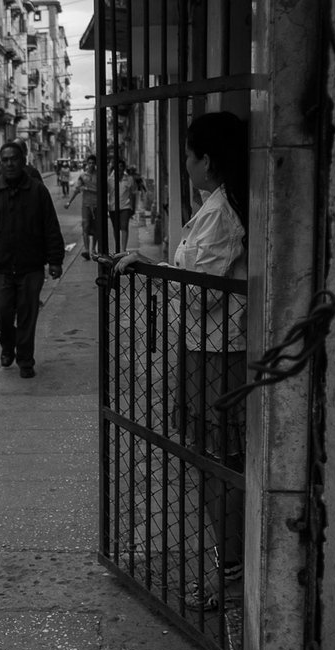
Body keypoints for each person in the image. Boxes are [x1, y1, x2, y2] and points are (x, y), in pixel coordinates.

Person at [113, 110, 247, 611]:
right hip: (207, 347)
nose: (185, 166)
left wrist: (158, 273)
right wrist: (156, 266)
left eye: (188, 156)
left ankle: (231, 568)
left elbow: (200, 292)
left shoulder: (220, 212)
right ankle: (230, 560)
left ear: (206, 160)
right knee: (210, 458)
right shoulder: (215, 206)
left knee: (216, 461)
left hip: (219, 351)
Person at [0, 141, 65, 379]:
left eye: (14, 159)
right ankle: (7, 343)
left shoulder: (37, 191)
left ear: (23, 161)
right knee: (2, 311)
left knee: (27, 316)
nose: (10, 164)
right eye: (5, 160)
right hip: (1, 268)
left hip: (31, 267)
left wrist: (55, 260)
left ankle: (25, 360)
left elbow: (50, 227)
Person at [63, 154, 101, 259]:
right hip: (86, 205)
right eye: (89, 163)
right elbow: (77, 190)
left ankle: (93, 249)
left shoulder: (98, 176)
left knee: (96, 228)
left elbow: (101, 190)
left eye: (93, 163)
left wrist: (88, 188)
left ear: (95, 164)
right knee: (85, 227)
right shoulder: (83, 176)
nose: (91, 165)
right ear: (87, 164)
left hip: (97, 205)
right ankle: (86, 250)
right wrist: (69, 202)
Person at [106, 159, 138, 253]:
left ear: (123, 168)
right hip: (113, 207)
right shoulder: (110, 180)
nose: (119, 169)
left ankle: (123, 249)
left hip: (125, 207)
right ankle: (118, 247)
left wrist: (133, 207)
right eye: (117, 167)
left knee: (124, 226)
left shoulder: (129, 179)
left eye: (121, 166)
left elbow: (133, 193)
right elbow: (106, 193)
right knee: (116, 228)